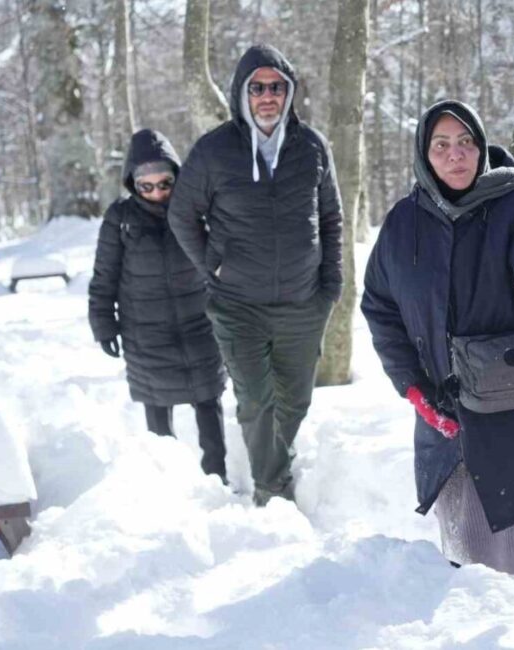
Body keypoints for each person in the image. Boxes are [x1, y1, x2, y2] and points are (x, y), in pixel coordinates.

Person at [361, 100, 514, 594]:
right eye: (441, 145)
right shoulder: (403, 223)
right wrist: (411, 387)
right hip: (443, 407)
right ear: (424, 154)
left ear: (480, 147)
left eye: (466, 143)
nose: (456, 156)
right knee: (464, 549)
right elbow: (380, 306)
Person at [168, 44, 342, 507]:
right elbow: (182, 214)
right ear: (242, 93)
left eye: (276, 87)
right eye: (258, 87)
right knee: (255, 400)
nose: (268, 96)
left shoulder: (312, 147)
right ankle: (272, 490)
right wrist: (212, 264)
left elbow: (332, 218)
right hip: (237, 304)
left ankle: (272, 462)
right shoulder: (213, 151)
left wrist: (331, 286)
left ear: (289, 93)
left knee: (295, 400)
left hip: (304, 302)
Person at [89, 128, 228, 481]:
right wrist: (104, 325)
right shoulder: (119, 220)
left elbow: (223, 260)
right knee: (157, 406)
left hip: (199, 324)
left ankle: (218, 476)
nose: (156, 193)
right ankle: (169, 483)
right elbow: (104, 278)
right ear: (133, 184)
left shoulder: (196, 210)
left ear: (176, 176)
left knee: (208, 400)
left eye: (164, 184)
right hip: (145, 332)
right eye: (146, 187)